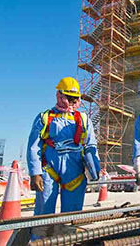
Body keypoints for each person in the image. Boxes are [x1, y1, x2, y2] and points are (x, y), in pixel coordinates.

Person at [26, 77, 100, 219]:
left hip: (75, 173)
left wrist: (94, 167)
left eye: (75, 99)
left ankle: (67, 239)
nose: (71, 102)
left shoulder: (84, 119)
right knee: (43, 215)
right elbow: (34, 147)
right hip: (48, 171)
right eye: (69, 98)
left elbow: (91, 145)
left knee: (72, 216)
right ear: (59, 95)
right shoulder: (45, 117)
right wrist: (35, 173)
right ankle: (40, 239)